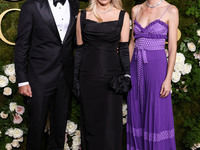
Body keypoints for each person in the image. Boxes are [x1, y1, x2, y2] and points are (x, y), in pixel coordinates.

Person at [14, 0, 81, 149]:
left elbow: (76, 41)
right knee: (36, 127)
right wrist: (22, 80)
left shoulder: (74, 4)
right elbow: (22, 44)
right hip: (39, 76)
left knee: (59, 127)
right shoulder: (31, 6)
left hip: (65, 76)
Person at [73, 0, 131, 149]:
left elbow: (124, 49)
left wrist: (127, 75)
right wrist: (76, 79)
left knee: (110, 128)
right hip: (88, 79)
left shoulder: (123, 15)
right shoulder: (82, 15)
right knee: (90, 126)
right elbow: (79, 50)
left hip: (112, 80)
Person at [127, 0, 178, 149]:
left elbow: (173, 48)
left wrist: (168, 79)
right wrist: (126, 74)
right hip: (135, 69)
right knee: (135, 113)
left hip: (157, 70)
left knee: (157, 115)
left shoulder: (171, 10)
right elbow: (132, 43)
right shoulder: (136, 9)